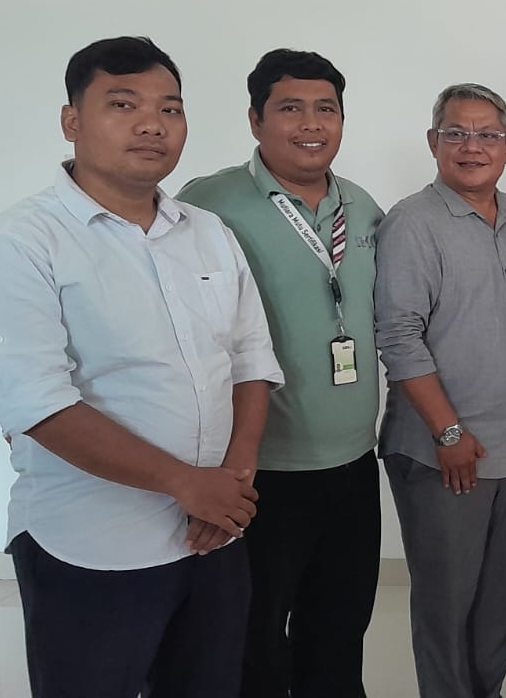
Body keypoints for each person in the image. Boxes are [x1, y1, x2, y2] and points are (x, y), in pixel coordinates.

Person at [0, 36, 283, 698]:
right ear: (71, 121)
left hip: (213, 537)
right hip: (89, 542)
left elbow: (252, 361)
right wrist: (184, 483)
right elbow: (36, 402)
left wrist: (231, 482)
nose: (152, 124)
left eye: (170, 108)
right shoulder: (21, 242)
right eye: (122, 104)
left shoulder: (208, 232)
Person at [177, 48, 384, 698]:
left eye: (326, 109)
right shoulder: (209, 204)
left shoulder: (361, 206)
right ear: (255, 119)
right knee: (254, 640)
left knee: (340, 630)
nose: (311, 124)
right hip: (260, 468)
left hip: (353, 461)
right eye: (290, 108)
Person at [373, 83, 506, 698]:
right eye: (457, 134)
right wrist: (448, 432)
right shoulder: (412, 223)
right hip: (442, 448)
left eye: (488, 134)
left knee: (500, 601)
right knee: (447, 604)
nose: (473, 147)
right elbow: (399, 336)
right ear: (433, 142)